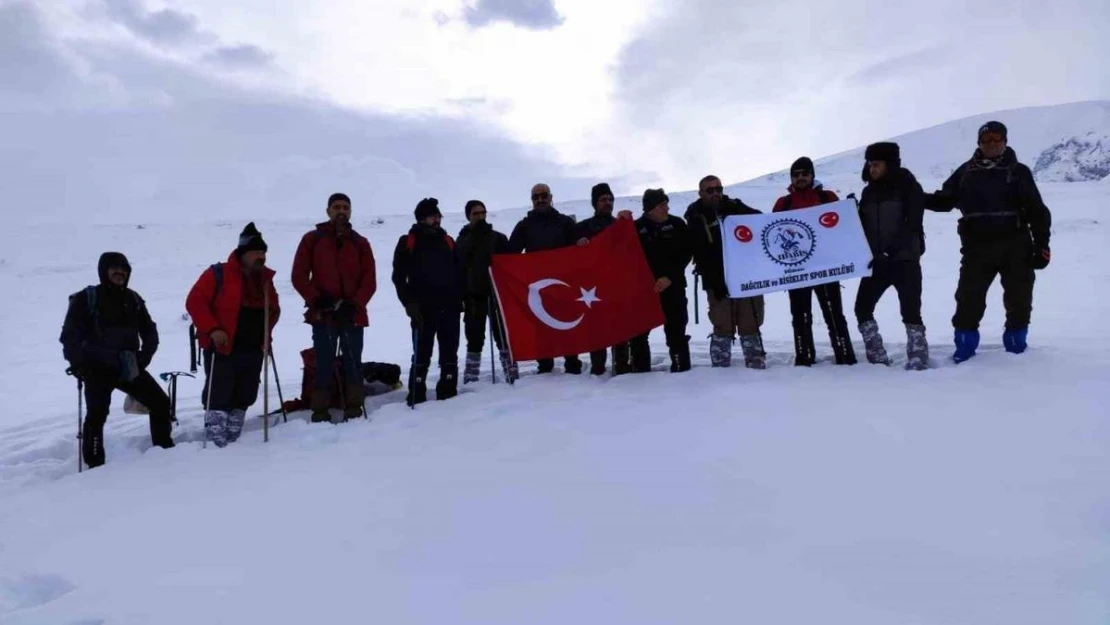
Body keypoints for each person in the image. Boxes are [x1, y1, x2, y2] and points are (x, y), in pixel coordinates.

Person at [925, 121, 1052, 362]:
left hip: (1016, 246)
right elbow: (944, 201)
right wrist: (915, 197)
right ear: (979, 143)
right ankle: (964, 350)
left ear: (1005, 141)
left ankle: (1017, 350)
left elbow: (1037, 211)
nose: (992, 144)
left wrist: (1041, 245)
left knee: (1019, 299)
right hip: (977, 248)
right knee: (968, 299)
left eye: (997, 139)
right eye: (987, 140)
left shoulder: (1018, 171)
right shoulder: (965, 172)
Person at [59, 252, 174, 468]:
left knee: (159, 402)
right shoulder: (87, 297)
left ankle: (164, 451)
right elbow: (69, 336)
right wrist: (78, 364)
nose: (119, 272)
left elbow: (150, 331)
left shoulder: (133, 299)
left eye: (124, 268)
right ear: (104, 271)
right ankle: (95, 465)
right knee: (96, 415)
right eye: (114, 268)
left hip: (128, 366)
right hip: (96, 367)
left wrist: (144, 357)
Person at [186, 223, 281, 444]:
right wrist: (213, 328)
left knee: (246, 393)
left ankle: (234, 438)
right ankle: (215, 440)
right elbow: (195, 301)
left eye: (263, 252)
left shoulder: (265, 280)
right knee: (220, 392)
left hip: (253, 346)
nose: (261, 256)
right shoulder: (218, 274)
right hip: (224, 345)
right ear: (243, 254)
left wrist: (267, 335)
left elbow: (273, 309)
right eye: (257, 252)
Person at [291, 192, 378, 422]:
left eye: (346, 207)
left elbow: (369, 280)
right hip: (323, 313)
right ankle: (320, 410)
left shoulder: (361, 243)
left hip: (352, 314)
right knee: (323, 361)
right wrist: (317, 299)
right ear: (328, 211)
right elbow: (299, 276)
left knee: (353, 361)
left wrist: (355, 303)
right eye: (337, 207)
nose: (342, 211)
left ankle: (354, 406)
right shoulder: (312, 239)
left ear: (350, 211)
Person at [772, 157, 857, 366]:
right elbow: (772, 232)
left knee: (833, 314)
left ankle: (845, 355)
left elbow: (843, 226)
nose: (800, 178)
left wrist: (851, 210)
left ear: (812, 175)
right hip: (797, 269)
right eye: (796, 174)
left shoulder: (827, 196)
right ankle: (804, 357)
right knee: (800, 316)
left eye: (804, 173)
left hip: (826, 266)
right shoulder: (784, 203)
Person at [852, 143, 929, 370]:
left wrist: (891, 249)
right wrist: (850, 212)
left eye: (876, 164)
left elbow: (913, 223)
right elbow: (864, 226)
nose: (872, 169)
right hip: (877, 262)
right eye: (869, 164)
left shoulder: (908, 186)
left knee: (911, 310)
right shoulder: (868, 192)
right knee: (862, 308)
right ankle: (876, 355)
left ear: (890, 164)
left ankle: (918, 356)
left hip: (905, 260)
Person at [684, 175, 767, 368]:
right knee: (722, 325)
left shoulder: (735, 207)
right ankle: (721, 370)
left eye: (718, 189)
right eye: (710, 190)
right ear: (701, 193)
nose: (716, 193)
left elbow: (761, 220)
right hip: (716, 280)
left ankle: (756, 365)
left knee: (751, 323)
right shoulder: (695, 216)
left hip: (745, 275)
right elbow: (695, 249)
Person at [392, 198, 463, 404]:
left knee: (450, 350)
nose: (438, 219)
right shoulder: (408, 241)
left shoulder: (448, 240)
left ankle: (448, 390)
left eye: (439, 216)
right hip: (422, 307)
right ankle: (417, 391)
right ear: (422, 218)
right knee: (422, 351)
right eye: (434, 216)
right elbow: (398, 277)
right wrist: (409, 303)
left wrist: (459, 298)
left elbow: (458, 272)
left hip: (449, 306)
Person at [507, 183, 583, 374]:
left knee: (566, 325)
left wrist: (583, 244)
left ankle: (573, 364)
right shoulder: (524, 226)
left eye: (543, 195)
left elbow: (580, 249)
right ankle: (545, 367)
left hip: (564, 286)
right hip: (538, 288)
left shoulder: (565, 222)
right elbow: (510, 255)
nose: (540, 199)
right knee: (541, 327)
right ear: (531, 200)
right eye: (535, 197)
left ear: (551, 197)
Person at [573, 182, 635, 376]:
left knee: (621, 331)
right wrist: (579, 246)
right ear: (594, 203)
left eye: (610, 199)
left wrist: (627, 222)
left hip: (618, 286)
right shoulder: (582, 228)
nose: (607, 203)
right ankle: (598, 369)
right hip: (593, 288)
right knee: (597, 331)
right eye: (603, 200)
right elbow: (571, 259)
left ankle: (622, 367)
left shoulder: (621, 225)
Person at [632, 189, 693, 372]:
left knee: (676, 331)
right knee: (639, 333)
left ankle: (682, 369)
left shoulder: (677, 224)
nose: (667, 208)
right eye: (661, 205)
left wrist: (670, 277)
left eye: (666, 203)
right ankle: (640, 372)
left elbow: (686, 253)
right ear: (650, 209)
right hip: (645, 290)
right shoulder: (635, 228)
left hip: (673, 286)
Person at [457, 199, 515, 383]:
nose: (480, 216)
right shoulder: (461, 240)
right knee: (474, 339)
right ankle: (471, 378)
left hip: (496, 296)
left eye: (483, 212)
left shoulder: (498, 238)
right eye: (475, 213)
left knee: (503, 338)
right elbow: (458, 270)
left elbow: (511, 266)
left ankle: (511, 373)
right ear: (468, 216)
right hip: (473, 298)